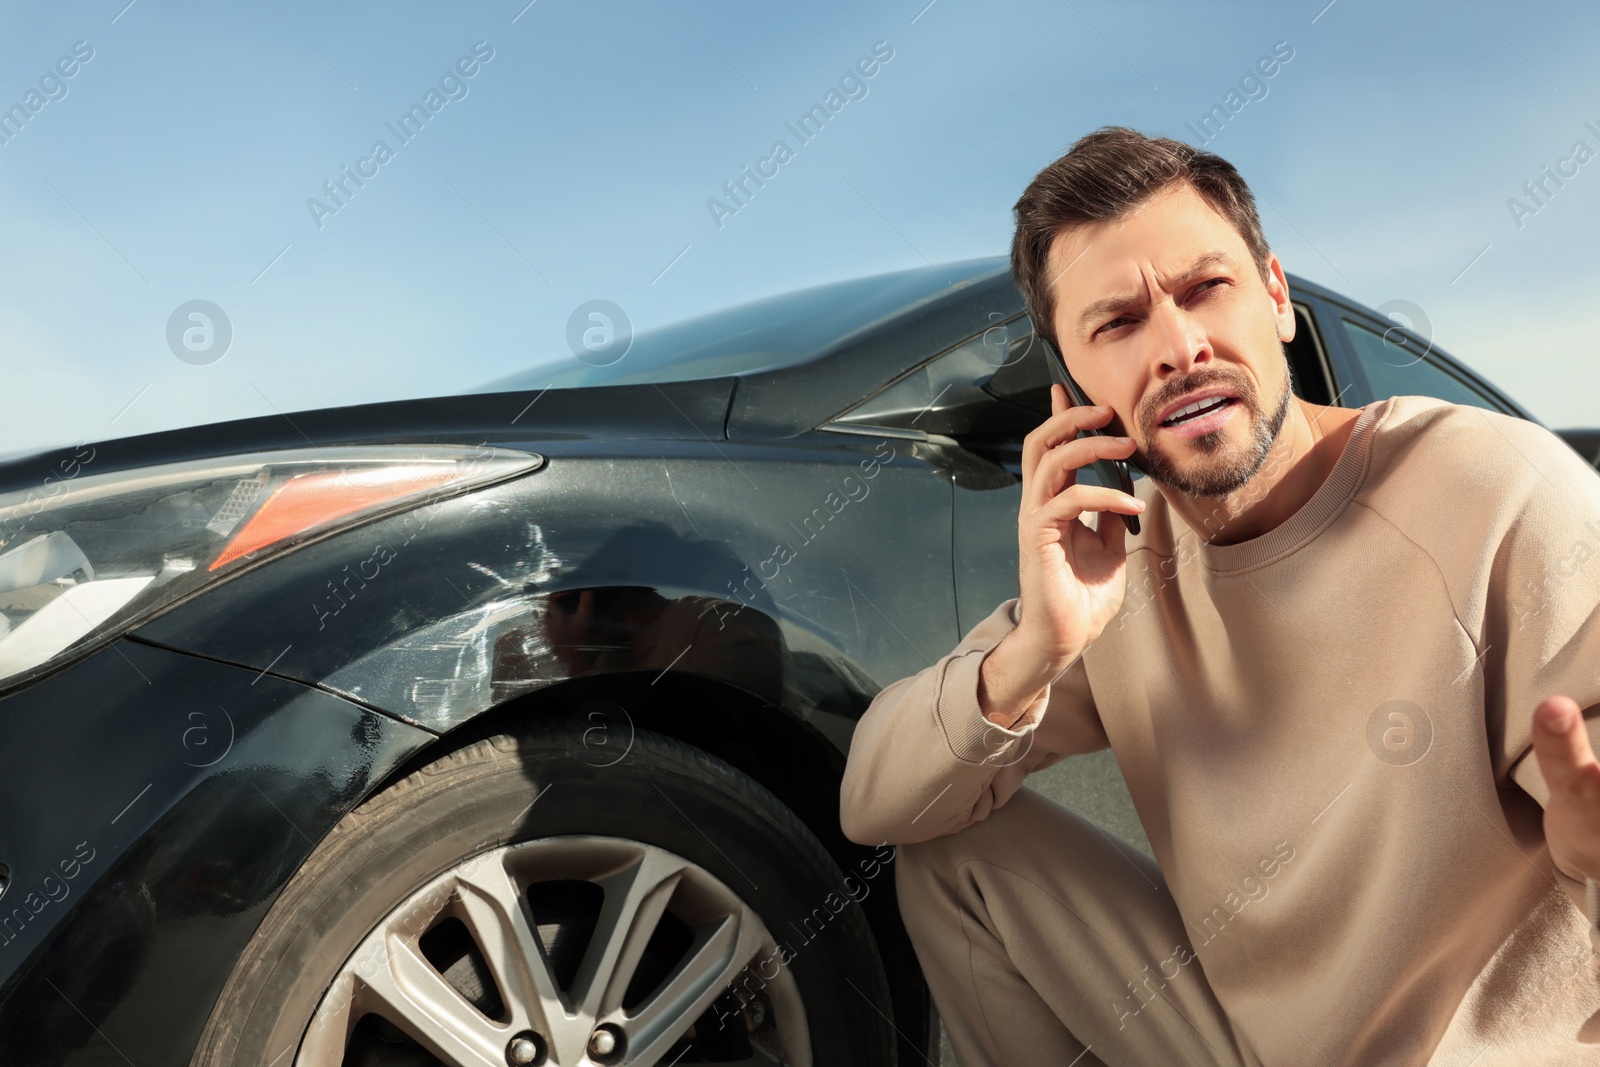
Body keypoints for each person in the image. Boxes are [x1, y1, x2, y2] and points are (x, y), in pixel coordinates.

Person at [837, 126, 1600, 1066]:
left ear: (1277, 296)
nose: (1179, 346)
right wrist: (1037, 646)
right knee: (955, 855)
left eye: (1206, 289)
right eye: (1117, 323)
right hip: (1244, 1046)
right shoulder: (1119, 567)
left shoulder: (1499, 490)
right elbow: (874, 802)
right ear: (1072, 381)